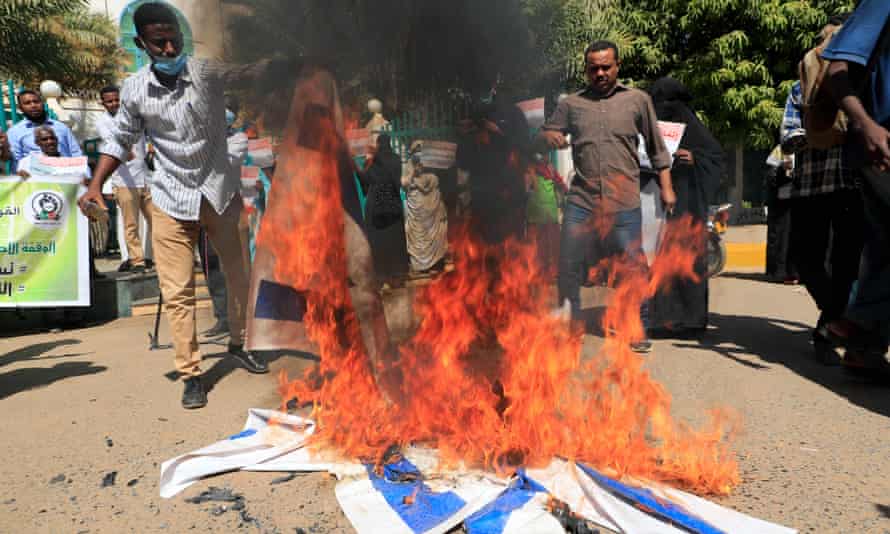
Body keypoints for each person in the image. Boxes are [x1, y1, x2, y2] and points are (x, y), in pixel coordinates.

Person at [77, 2, 267, 410]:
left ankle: (239, 344)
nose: (168, 48)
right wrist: (95, 184)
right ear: (141, 42)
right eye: (159, 41)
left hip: (220, 192)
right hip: (169, 198)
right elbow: (120, 139)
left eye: (173, 39)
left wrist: (287, 65)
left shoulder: (205, 73)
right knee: (177, 291)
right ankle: (191, 373)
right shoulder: (134, 89)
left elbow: (246, 73)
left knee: (239, 276)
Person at [538, 40, 676, 353]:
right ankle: (570, 323)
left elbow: (657, 148)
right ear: (586, 70)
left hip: (624, 201)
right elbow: (544, 133)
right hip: (582, 202)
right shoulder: (571, 104)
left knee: (633, 266)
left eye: (605, 67)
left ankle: (636, 327)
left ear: (617, 66)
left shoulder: (638, 101)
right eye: (593, 68)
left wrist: (667, 187)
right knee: (568, 263)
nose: (600, 73)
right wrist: (548, 135)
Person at [820, 0, 890, 361]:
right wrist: (867, 125)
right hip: (882, 142)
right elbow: (836, 70)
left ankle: (863, 341)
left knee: (883, 247)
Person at [780, 78, 863, 365]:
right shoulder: (801, 88)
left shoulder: (861, 85)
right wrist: (816, 132)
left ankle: (824, 333)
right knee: (805, 259)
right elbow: (787, 137)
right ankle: (837, 318)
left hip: (851, 185)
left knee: (846, 265)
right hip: (809, 186)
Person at [648, 77, 724, 333]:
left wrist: (694, 158)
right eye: (660, 102)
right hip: (655, 203)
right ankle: (661, 320)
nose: (666, 109)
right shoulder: (647, 126)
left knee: (689, 257)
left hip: (688, 205)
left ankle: (691, 320)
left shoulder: (692, 126)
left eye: (671, 103)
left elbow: (715, 159)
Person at [456, 79, 531, 245]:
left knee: (510, 243)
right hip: (482, 195)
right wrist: (466, 137)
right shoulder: (473, 119)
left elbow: (525, 146)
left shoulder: (514, 114)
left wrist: (498, 132)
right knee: (484, 244)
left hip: (509, 191)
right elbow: (462, 162)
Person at [96, 85, 153, 274]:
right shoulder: (103, 122)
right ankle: (137, 261)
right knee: (131, 224)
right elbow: (116, 144)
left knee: (159, 221)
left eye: (116, 99)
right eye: (109, 101)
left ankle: (159, 258)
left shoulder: (136, 117)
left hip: (147, 179)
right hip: (124, 181)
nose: (114, 103)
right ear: (103, 103)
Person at [357, 133, 410, 284]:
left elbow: (366, 181)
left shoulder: (373, 161)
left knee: (378, 241)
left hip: (376, 205)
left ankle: (381, 275)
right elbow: (397, 182)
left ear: (379, 144)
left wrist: (361, 167)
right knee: (395, 239)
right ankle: (398, 274)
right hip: (392, 202)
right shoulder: (396, 159)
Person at [402, 141, 448, 273]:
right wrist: (413, 174)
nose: (419, 151)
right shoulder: (408, 166)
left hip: (432, 205)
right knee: (418, 235)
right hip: (416, 206)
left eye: (422, 149)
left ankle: (436, 263)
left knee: (436, 234)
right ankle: (420, 265)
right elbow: (404, 184)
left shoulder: (432, 164)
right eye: (417, 149)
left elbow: (439, 179)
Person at [7, 89, 82, 170]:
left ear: (42, 103)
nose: (33, 105)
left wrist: (85, 174)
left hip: (67, 174)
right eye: (27, 103)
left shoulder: (61, 127)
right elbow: (17, 162)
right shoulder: (14, 132)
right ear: (21, 108)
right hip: (36, 179)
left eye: (36, 101)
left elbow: (76, 153)